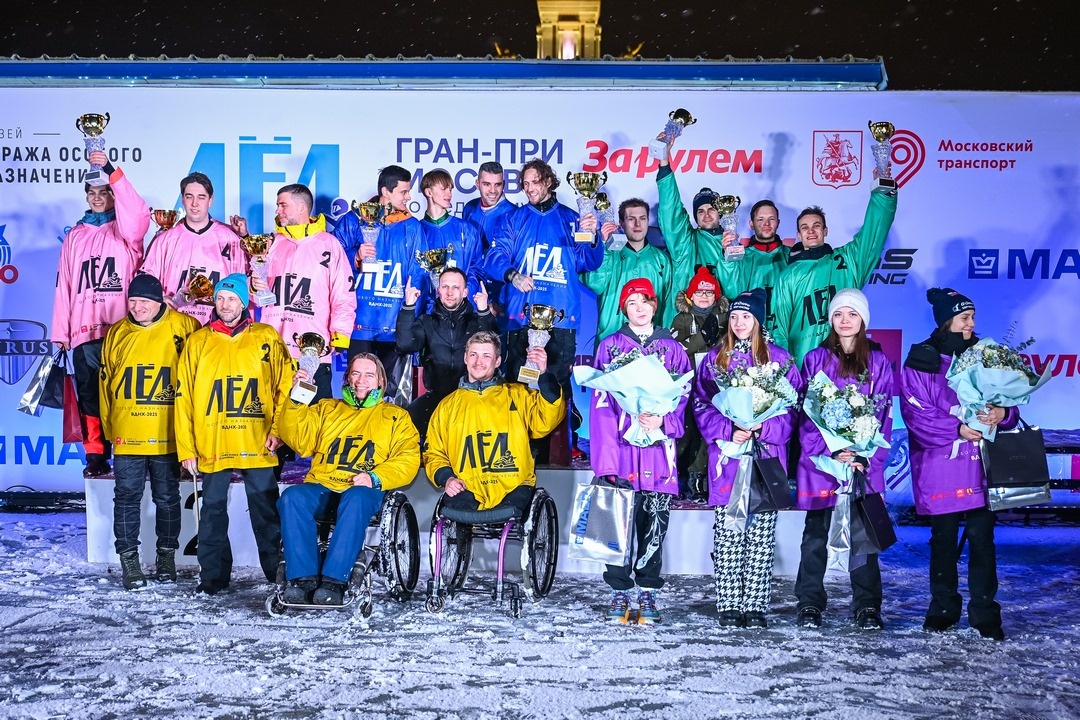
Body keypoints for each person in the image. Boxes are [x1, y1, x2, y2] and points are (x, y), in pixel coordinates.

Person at [900, 288, 1016, 641]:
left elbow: (1011, 406)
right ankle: (943, 609)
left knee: (982, 538)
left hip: (981, 466)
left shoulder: (988, 356)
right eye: (965, 317)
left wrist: (1003, 413)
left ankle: (985, 614)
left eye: (973, 317)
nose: (971, 324)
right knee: (944, 539)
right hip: (941, 465)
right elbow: (915, 412)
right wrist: (957, 428)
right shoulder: (922, 359)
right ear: (947, 320)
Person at [483, 158, 614, 462]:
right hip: (520, 322)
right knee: (519, 391)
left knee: (553, 391)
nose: (529, 188)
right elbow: (494, 258)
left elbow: (589, 261)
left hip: (561, 324)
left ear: (549, 182)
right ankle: (516, 459)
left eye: (535, 182)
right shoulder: (514, 219)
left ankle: (555, 460)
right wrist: (512, 275)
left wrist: (593, 237)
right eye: (525, 184)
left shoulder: (571, 218)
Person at [175, 274, 293, 595]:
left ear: (243, 302)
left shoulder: (266, 337)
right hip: (212, 439)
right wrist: (186, 448)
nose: (224, 305)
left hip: (257, 439)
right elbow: (183, 398)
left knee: (266, 509)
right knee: (212, 509)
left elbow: (285, 388)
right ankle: (213, 577)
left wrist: (279, 431)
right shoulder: (198, 341)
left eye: (231, 299)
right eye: (220, 298)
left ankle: (278, 573)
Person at [692, 288, 801, 628]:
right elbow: (701, 403)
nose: (739, 322)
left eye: (747, 316)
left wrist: (764, 429)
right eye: (735, 316)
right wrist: (728, 428)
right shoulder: (716, 358)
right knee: (728, 533)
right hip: (729, 458)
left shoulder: (779, 360)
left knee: (761, 535)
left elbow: (793, 410)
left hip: (766, 458)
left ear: (759, 320)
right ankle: (728, 604)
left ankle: (755, 606)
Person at [276, 353, 420, 605]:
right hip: (324, 484)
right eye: (355, 373)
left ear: (380, 381)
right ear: (347, 378)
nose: (361, 380)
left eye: (369, 375)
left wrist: (375, 477)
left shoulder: (396, 416)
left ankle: (335, 579)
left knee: (356, 498)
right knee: (292, 497)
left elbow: (408, 459)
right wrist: (297, 397)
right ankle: (303, 578)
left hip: (364, 489)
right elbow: (299, 440)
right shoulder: (327, 409)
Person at [590, 279, 691, 624]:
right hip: (620, 452)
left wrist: (664, 421)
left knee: (654, 525)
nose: (639, 308)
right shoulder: (610, 347)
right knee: (615, 524)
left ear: (654, 304)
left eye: (644, 301)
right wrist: (606, 462)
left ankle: (648, 591)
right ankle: (618, 591)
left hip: (657, 451)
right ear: (623, 309)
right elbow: (601, 406)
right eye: (632, 303)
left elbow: (684, 396)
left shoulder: (672, 349)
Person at [793, 288, 894, 630]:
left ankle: (867, 605)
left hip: (860, 466)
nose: (845, 320)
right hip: (823, 466)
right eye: (838, 314)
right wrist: (830, 450)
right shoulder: (815, 359)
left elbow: (884, 414)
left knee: (864, 537)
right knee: (815, 535)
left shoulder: (878, 362)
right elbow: (806, 414)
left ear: (863, 319)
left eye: (852, 314)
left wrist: (865, 456)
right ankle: (809, 602)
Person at [98, 274, 201, 590]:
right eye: (132, 300)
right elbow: (105, 384)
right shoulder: (117, 333)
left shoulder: (185, 327)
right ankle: (129, 561)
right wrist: (111, 429)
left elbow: (197, 378)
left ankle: (166, 557)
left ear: (159, 301)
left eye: (144, 301)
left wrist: (192, 434)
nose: (137, 307)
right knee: (126, 498)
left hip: (167, 432)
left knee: (167, 498)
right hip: (128, 432)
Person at [51, 149, 150, 478]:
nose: (97, 198)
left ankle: (126, 448)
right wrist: (61, 333)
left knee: (124, 395)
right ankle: (95, 454)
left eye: (104, 192)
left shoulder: (126, 230)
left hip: (122, 331)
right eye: (92, 193)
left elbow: (138, 212)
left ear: (113, 195)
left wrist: (109, 170)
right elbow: (64, 285)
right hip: (84, 332)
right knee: (89, 395)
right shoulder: (75, 236)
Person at [425, 331, 565, 517]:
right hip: (467, 489)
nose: (478, 362)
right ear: (465, 358)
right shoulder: (447, 407)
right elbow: (434, 452)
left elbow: (548, 416)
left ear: (497, 361)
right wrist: (447, 479)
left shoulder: (518, 395)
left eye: (486, 355)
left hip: (514, 487)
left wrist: (544, 374)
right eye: (473, 354)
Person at [656, 138, 788, 331]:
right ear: (695, 217)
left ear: (721, 213)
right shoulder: (686, 242)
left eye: (711, 209)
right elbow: (671, 211)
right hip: (684, 328)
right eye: (700, 211)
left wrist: (728, 257)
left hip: (721, 331)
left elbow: (734, 291)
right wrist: (664, 163)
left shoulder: (735, 246)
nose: (706, 214)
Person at [239, 183, 354, 402]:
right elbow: (255, 296)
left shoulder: (329, 244)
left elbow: (344, 294)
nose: (277, 210)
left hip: (314, 351)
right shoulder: (270, 243)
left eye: (283, 205)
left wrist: (340, 334)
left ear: (302, 208)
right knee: (270, 415)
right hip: (273, 349)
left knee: (313, 416)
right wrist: (253, 286)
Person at [771, 186, 897, 366]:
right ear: (798, 235)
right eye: (805, 227)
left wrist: (883, 194)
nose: (811, 231)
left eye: (816, 226)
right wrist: (784, 371)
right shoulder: (787, 276)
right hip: (803, 364)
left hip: (846, 362)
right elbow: (779, 329)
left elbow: (873, 235)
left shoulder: (848, 260)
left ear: (825, 231)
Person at [333, 165, 424, 402]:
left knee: (389, 393)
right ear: (386, 191)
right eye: (404, 192)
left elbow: (418, 272)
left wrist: (410, 317)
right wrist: (356, 255)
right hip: (359, 322)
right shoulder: (353, 220)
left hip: (393, 325)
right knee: (357, 388)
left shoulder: (412, 226)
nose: (408, 197)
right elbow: (331, 259)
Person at [395, 268, 496, 438]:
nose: (450, 292)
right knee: (406, 424)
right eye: (445, 287)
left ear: (465, 292)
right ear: (438, 290)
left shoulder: (476, 321)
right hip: (437, 396)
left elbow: (492, 349)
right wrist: (408, 307)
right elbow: (405, 344)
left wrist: (484, 312)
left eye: (456, 287)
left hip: (474, 396)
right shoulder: (426, 321)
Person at [140, 172, 247, 324]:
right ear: (182, 199)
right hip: (175, 325)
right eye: (189, 196)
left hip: (217, 327)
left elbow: (244, 280)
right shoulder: (165, 240)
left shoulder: (230, 238)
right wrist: (158, 297)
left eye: (201, 197)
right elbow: (146, 279)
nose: (194, 203)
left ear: (210, 200)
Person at [671, 265, 730, 501]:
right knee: (686, 432)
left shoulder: (725, 318)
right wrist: (702, 337)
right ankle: (676, 476)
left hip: (715, 386)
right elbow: (676, 350)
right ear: (690, 295)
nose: (704, 296)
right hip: (689, 384)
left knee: (709, 432)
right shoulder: (682, 319)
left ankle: (700, 477)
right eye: (699, 291)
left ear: (716, 296)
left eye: (709, 292)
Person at [583, 198, 674, 347]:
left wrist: (664, 338)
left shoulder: (662, 259)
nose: (638, 224)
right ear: (621, 223)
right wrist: (605, 248)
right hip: (611, 340)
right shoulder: (609, 253)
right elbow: (596, 284)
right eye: (631, 219)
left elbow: (668, 303)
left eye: (642, 218)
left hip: (651, 343)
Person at [417, 169, 485, 309]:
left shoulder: (466, 229)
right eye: (443, 189)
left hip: (461, 310)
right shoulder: (416, 230)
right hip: (427, 311)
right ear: (428, 192)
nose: (449, 194)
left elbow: (477, 268)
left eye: (450, 189)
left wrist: (462, 296)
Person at [461, 161, 516, 330]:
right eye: (486, 184)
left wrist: (500, 302)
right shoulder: (469, 208)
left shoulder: (514, 214)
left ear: (504, 184)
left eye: (497, 184)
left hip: (497, 304)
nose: (492, 190)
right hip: (470, 297)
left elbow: (515, 263)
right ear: (477, 184)